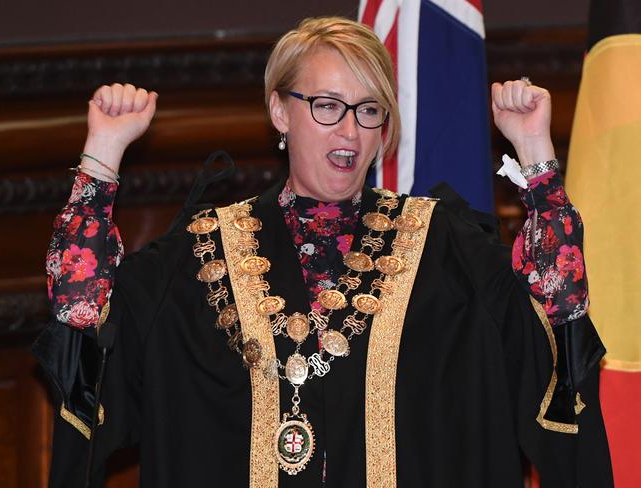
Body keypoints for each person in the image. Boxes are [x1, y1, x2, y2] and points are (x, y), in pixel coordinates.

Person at [35, 16, 613, 488]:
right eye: (327, 105)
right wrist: (102, 155)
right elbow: (82, 326)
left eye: (368, 111)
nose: (350, 132)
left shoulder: (444, 246)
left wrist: (534, 151)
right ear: (280, 111)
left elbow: (557, 321)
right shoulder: (197, 254)